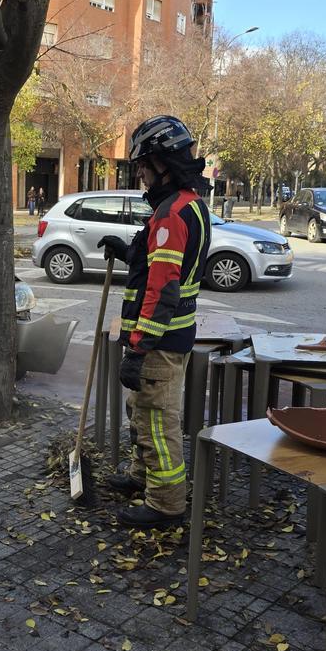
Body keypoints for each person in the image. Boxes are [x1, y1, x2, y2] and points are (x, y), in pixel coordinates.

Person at [96, 115, 212, 529]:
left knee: (158, 421)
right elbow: (162, 268)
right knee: (141, 411)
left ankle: (165, 504)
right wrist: (129, 253)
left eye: (143, 163)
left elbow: (162, 291)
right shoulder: (189, 206)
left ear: (163, 162)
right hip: (170, 338)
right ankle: (142, 477)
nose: (139, 172)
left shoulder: (170, 215)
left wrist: (139, 347)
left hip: (159, 344)